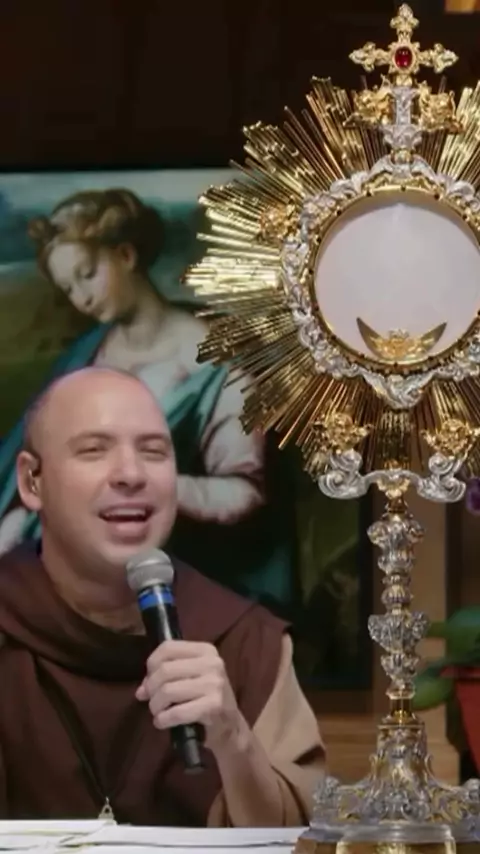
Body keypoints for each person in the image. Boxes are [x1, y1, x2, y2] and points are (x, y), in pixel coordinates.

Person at [0, 367, 324, 825]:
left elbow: (296, 838)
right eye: (94, 450)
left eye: (153, 452)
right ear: (32, 481)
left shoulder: (247, 640)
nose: (131, 474)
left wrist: (233, 739)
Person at [0, 188, 297, 614]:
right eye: (68, 288)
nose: (81, 297)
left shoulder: (215, 361)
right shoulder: (88, 352)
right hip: (65, 572)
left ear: (125, 255)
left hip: (168, 578)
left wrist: (150, 485)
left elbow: (243, 492)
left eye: (88, 274)